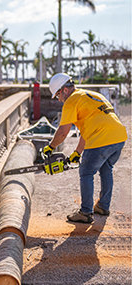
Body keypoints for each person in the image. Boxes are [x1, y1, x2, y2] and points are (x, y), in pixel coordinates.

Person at [43, 73, 127, 223]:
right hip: (119, 137)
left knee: (86, 172)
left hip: (102, 139)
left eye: (57, 95)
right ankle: (103, 206)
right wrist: (77, 152)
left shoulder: (71, 101)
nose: (59, 99)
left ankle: (86, 212)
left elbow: (63, 132)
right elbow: (87, 130)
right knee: (106, 168)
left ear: (64, 91)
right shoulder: (91, 95)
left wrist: (50, 147)